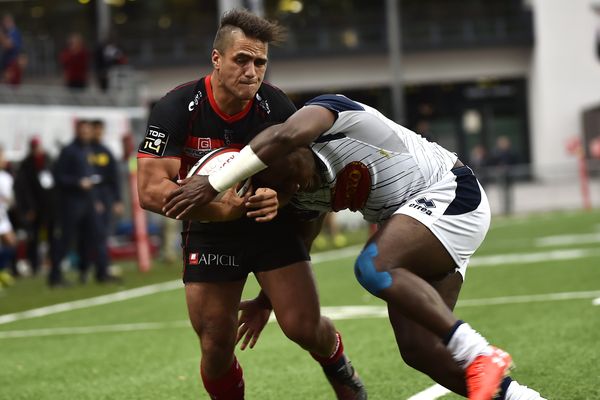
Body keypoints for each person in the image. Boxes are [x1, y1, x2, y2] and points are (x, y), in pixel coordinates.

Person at [173, 94, 547, 400]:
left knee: (373, 266)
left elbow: (284, 137)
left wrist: (214, 183)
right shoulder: (297, 193)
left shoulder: (328, 115)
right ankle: (522, 399)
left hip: (449, 193)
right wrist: (264, 302)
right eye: (286, 189)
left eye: (291, 178)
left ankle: (479, 353)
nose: (298, 189)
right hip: (418, 223)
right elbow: (303, 236)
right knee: (419, 350)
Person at [137, 10, 365, 400]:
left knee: (302, 326)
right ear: (217, 59)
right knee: (215, 343)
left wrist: (280, 197)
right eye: (241, 59)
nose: (251, 71)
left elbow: (306, 180)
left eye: (260, 62)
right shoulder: (175, 107)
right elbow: (150, 190)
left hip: (270, 224)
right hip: (209, 231)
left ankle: (340, 366)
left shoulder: (277, 107)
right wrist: (216, 209)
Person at [51, 120, 105, 287]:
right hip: (72, 202)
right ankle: (55, 276)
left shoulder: (88, 150)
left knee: (91, 237)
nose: (86, 134)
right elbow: (59, 177)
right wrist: (77, 182)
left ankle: (88, 271)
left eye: (88, 131)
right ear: (77, 131)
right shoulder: (69, 151)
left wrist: (95, 199)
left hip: (88, 201)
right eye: (83, 131)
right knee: (66, 239)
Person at [78, 119, 123, 283]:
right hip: (86, 198)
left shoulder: (105, 152)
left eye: (99, 130)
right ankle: (86, 269)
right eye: (94, 130)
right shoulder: (83, 151)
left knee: (101, 235)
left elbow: (114, 178)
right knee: (85, 236)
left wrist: (117, 200)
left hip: (103, 197)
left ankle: (101, 269)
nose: (97, 133)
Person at [13, 137, 57, 276]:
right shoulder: (26, 165)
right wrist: (27, 208)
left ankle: (54, 262)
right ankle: (34, 264)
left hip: (49, 205)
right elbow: (22, 188)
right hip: (34, 207)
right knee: (34, 237)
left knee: (52, 236)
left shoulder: (48, 161)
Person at [0, 147, 16, 287]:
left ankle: (2, 271)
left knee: (11, 243)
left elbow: (9, 200)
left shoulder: (6, 177)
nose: (4, 160)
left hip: (2, 217)